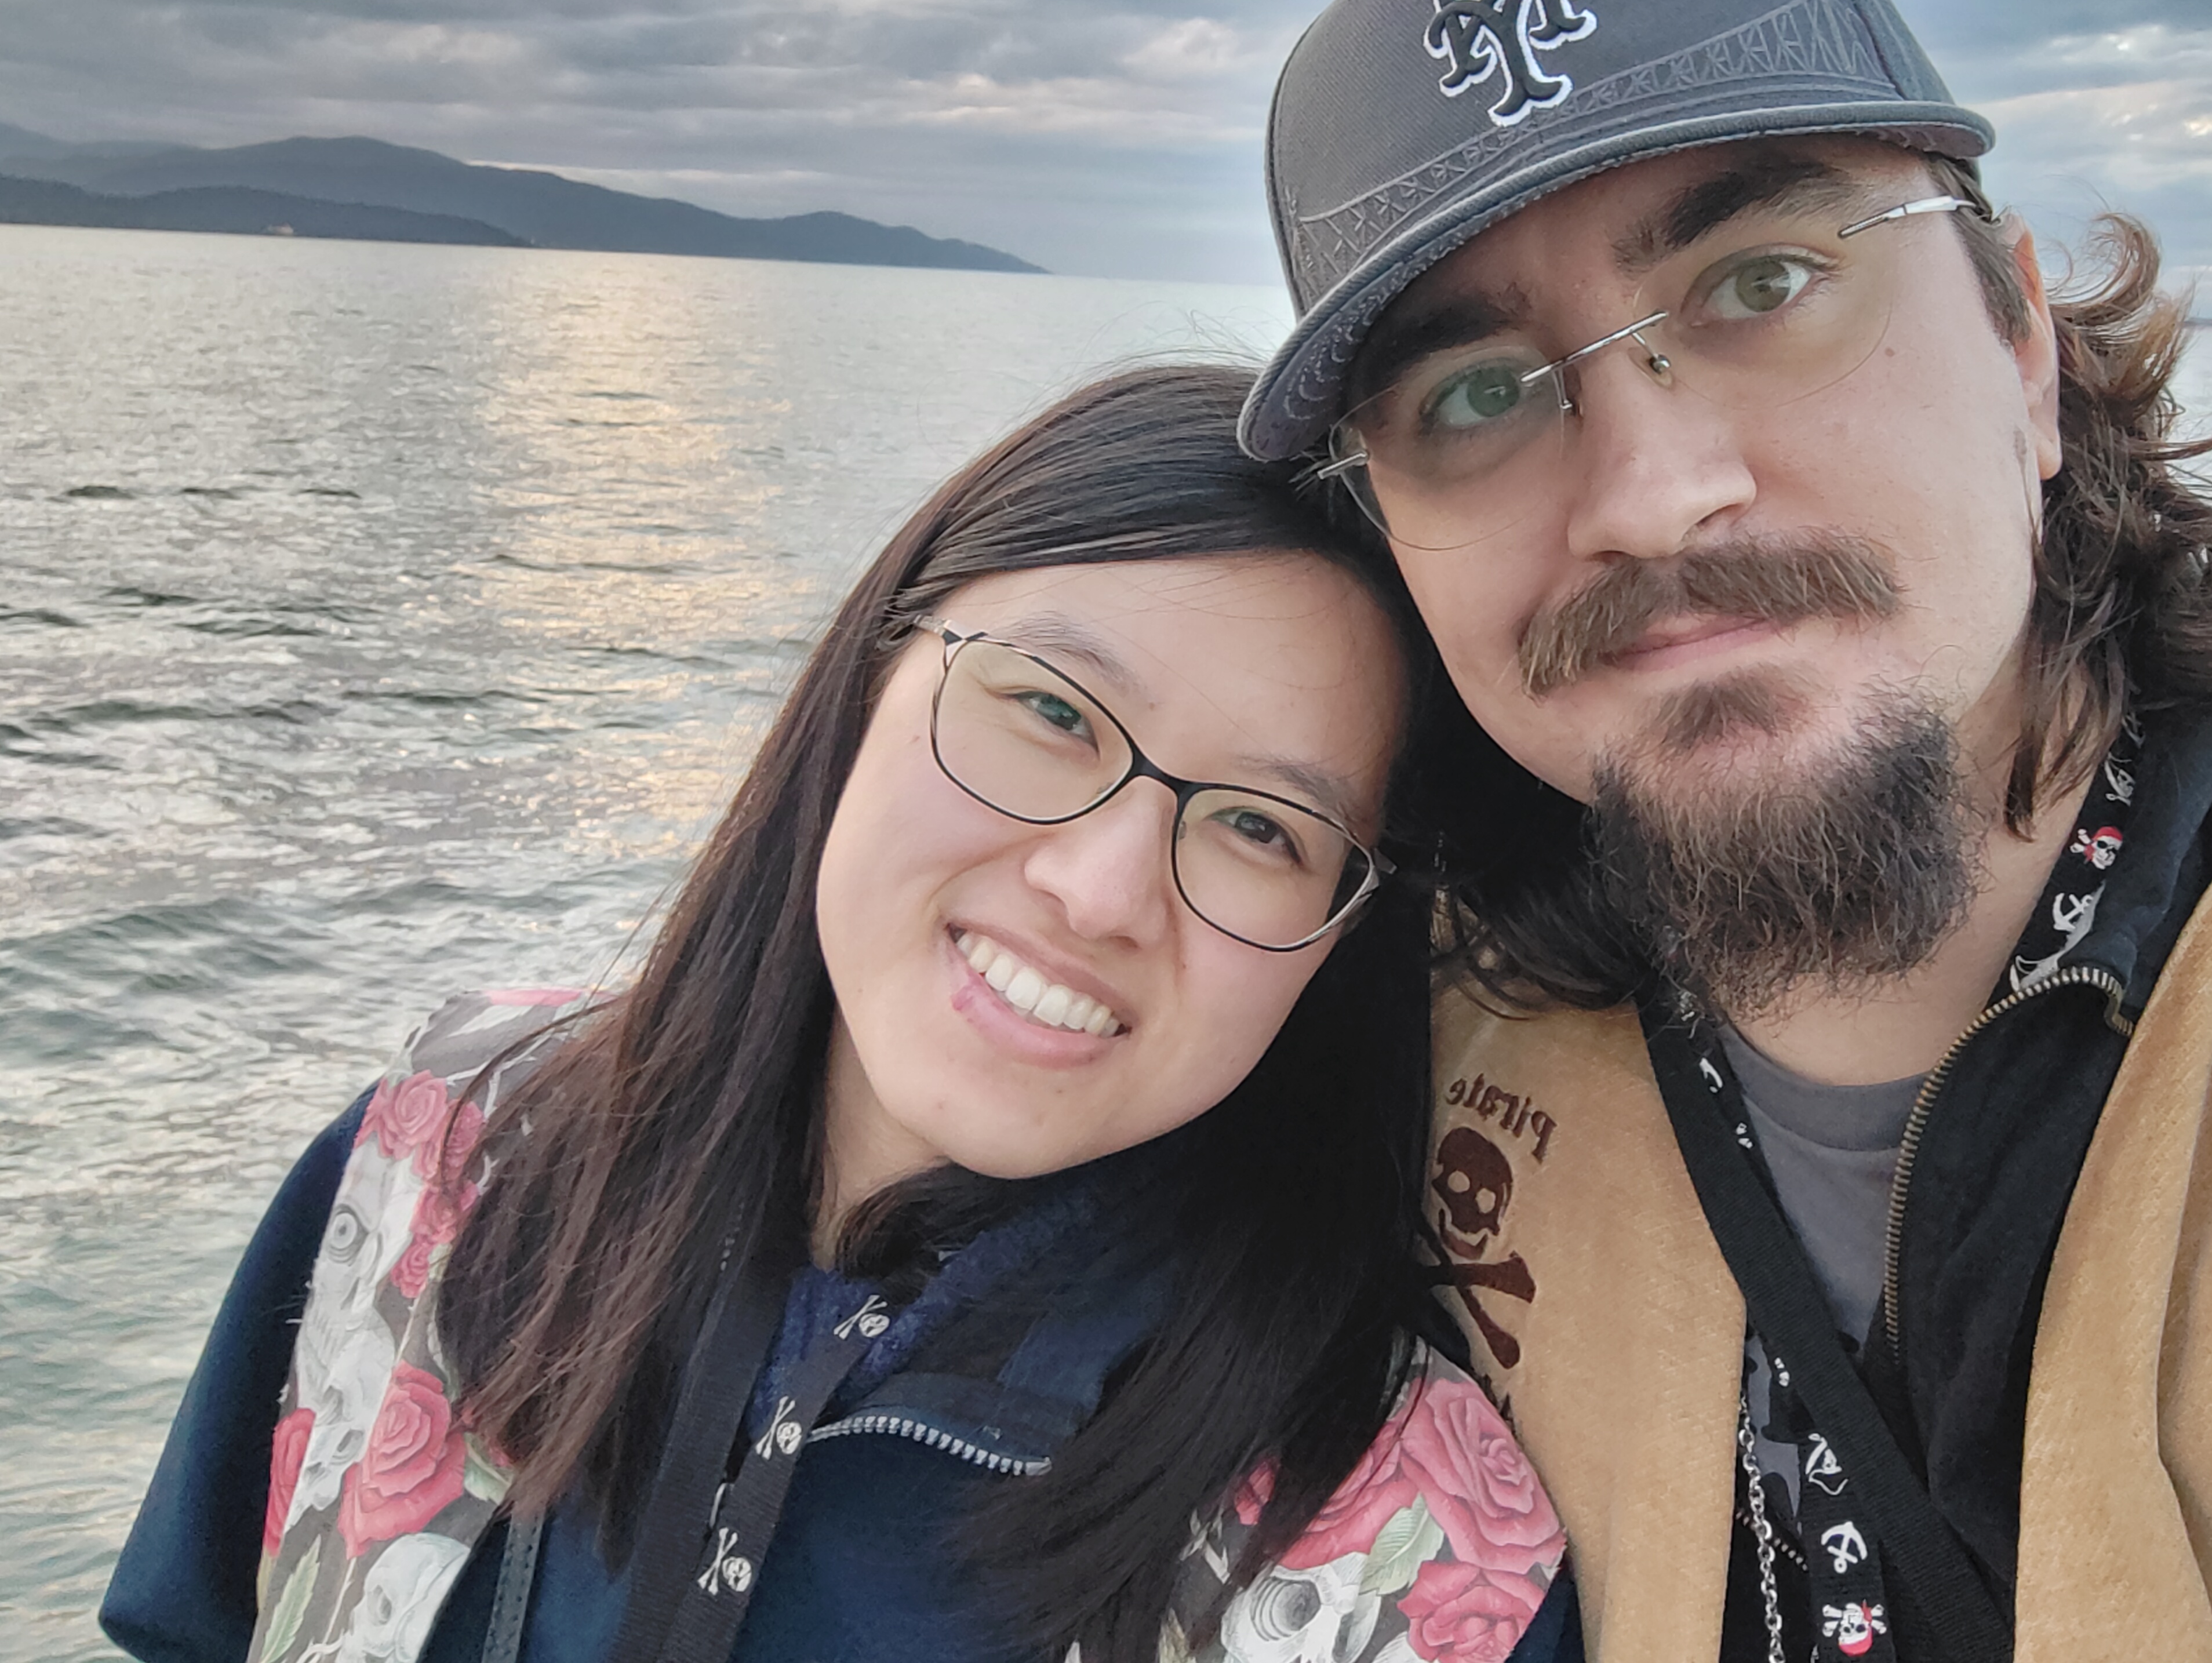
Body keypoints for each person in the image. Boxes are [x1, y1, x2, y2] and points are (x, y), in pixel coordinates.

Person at [1235, 0, 2212, 1662]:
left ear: (2023, 347)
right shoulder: (1380, 1057)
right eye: (1474, 395)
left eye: (1760, 277)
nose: (1655, 492)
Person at [103, 366, 1571, 1663]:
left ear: (1342, 935)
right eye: (1053, 711)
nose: (1101, 889)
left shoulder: (1410, 1555)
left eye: (1262, 828)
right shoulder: (446, 1145)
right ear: (873, 669)